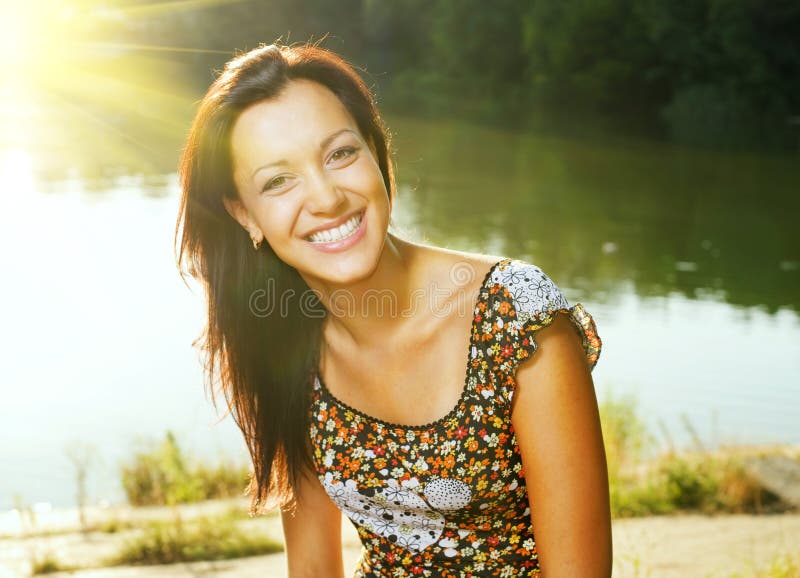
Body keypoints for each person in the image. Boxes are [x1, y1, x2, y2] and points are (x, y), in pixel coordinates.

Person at [175, 40, 612, 578]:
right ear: (245, 215)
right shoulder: (282, 343)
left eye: (340, 154)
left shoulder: (515, 313)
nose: (326, 198)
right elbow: (312, 567)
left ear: (377, 153)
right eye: (278, 180)